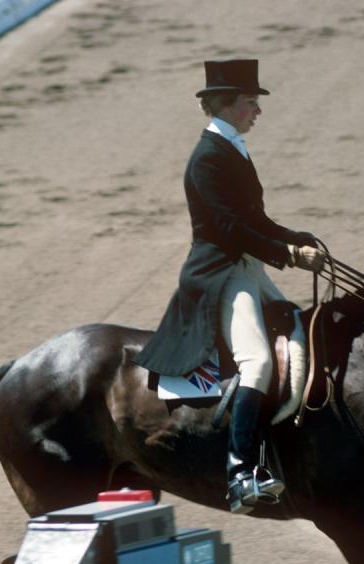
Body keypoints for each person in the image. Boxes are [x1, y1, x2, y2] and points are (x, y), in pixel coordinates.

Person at [134, 59, 325, 514]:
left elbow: (255, 220)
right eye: (251, 102)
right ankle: (241, 472)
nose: (257, 111)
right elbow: (228, 228)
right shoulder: (207, 158)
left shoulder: (233, 148)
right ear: (225, 105)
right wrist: (289, 255)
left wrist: (295, 238)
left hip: (247, 266)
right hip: (219, 273)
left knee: (300, 332)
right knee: (257, 361)